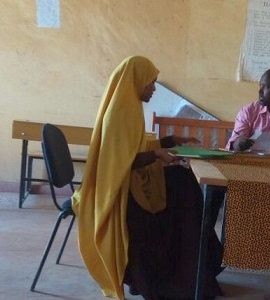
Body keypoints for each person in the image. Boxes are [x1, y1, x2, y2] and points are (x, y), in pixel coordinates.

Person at [71, 56, 222, 300]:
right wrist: (158, 154)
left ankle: (196, 269)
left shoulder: (128, 107)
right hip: (118, 193)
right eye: (150, 83)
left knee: (184, 185)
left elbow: (133, 148)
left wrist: (170, 142)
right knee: (185, 192)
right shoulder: (120, 114)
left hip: (129, 184)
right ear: (136, 81)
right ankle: (185, 274)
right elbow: (121, 163)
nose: (153, 88)